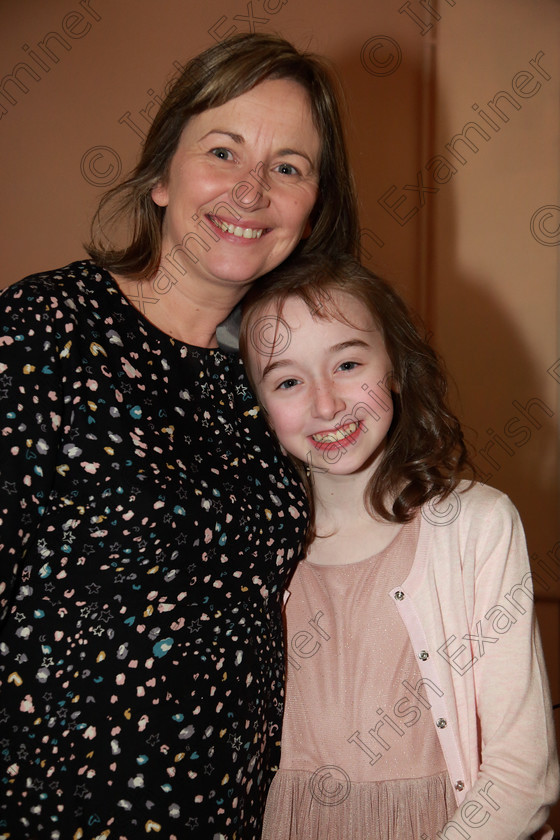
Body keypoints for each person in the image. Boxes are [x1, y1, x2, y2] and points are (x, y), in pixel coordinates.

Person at [0, 34, 360, 839]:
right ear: (162, 176)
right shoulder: (43, 330)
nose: (251, 189)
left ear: (312, 209)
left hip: (231, 815)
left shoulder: (281, 383)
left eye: (290, 167)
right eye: (223, 150)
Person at [239, 253, 560, 840]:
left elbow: (523, 776)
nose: (326, 404)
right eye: (287, 380)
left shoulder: (476, 526)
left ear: (395, 367)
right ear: (257, 406)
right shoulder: (254, 545)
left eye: (348, 363)